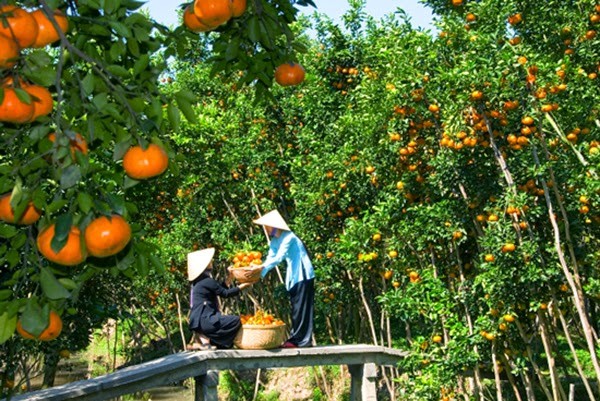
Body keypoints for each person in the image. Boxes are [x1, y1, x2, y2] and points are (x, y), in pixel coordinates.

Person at [253, 209, 315, 348]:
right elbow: (271, 256)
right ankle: (296, 339)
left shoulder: (289, 237)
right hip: (293, 276)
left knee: (301, 308)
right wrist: (259, 272)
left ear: (274, 225)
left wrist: (260, 269)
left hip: (302, 274)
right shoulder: (275, 240)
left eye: (266, 226)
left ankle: (302, 341)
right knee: (295, 308)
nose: (265, 229)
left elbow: (279, 257)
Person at [187, 247, 252, 350]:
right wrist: (242, 286)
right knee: (235, 320)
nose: (211, 262)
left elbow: (219, 289)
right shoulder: (207, 281)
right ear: (204, 265)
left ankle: (203, 343)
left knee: (224, 326)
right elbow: (225, 293)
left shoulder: (199, 281)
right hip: (206, 321)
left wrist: (230, 276)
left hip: (198, 322)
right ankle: (207, 342)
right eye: (209, 261)